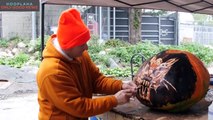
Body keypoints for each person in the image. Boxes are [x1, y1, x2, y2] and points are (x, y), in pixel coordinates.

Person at [36, 8, 137, 120]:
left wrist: (121, 85)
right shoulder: (52, 72)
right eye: (82, 44)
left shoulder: (80, 55)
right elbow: (79, 107)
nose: (86, 47)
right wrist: (114, 100)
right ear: (68, 46)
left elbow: (97, 81)